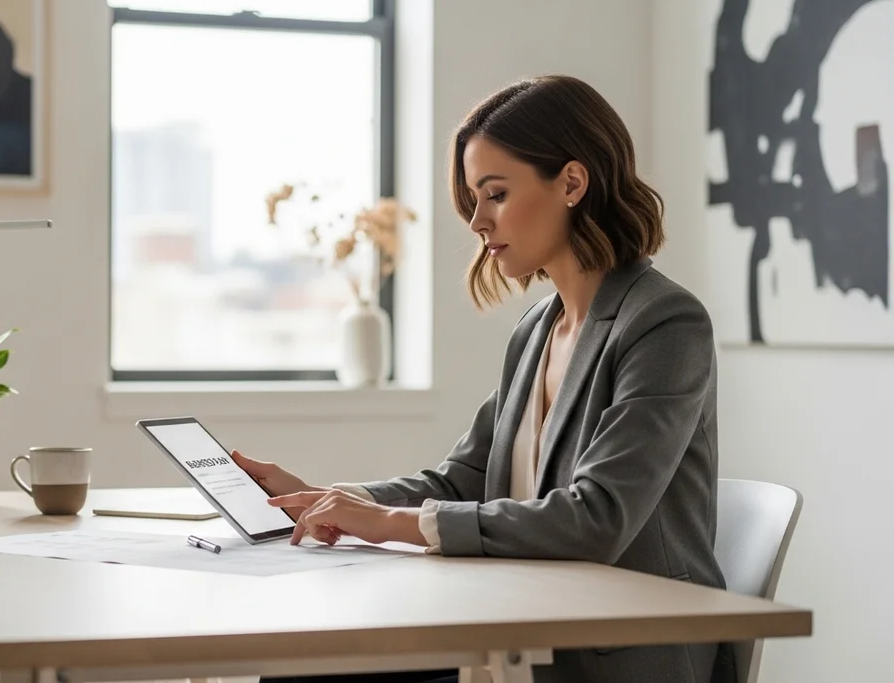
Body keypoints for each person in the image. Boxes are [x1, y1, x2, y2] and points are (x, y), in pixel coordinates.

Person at [232, 75, 736, 683]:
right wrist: (339, 500)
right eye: (473, 198)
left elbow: (597, 518)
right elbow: (461, 478)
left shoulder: (664, 324)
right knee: (297, 670)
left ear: (572, 183)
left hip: (614, 656)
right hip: (522, 629)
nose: (476, 220)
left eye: (494, 194)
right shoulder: (537, 330)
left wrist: (394, 524)